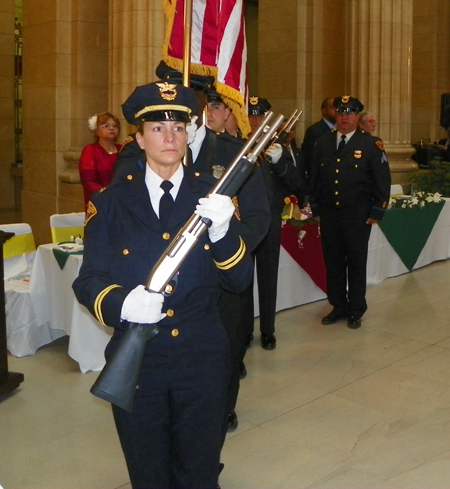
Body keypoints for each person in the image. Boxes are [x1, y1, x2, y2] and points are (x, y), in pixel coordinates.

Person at [72, 81, 253, 489]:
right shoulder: (110, 202)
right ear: (138, 138)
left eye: (178, 126)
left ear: (190, 133)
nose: (169, 136)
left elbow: (239, 281)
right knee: (148, 472)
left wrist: (223, 230)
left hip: (201, 358)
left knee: (199, 470)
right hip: (141, 361)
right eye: (156, 127)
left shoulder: (214, 197)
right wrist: (121, 305)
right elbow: (90, 280)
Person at [114, 61, 270, 442]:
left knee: (222, 362)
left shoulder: (236, 154)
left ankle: (218, 422)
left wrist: (226, 244)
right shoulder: (133, 159)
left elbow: (258, 216)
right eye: (158, 126)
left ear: (201, 102)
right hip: (159, 291)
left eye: (191, 93)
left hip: (219, 279)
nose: (169, 134)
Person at [309, 95, 391, 329]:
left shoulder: (371, 144)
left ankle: (356, 308)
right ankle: (338, 305)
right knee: (333, 261)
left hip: (358, 216)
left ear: (357, 117)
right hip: (330, 215)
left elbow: (382, 181)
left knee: (356, 261)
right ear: (335, 115)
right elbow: (315, 178)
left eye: (350, 113)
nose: (345, 117)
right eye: (341, 112)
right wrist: (314, 208)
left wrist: (377, 210)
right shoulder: (323, 143)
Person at [242, 96, 305, 351]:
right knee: (243, 282)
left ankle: (268, 330)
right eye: (251, 115)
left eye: (261, 115)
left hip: (268, 223)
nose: (255, 119)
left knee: (268, 279)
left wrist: (280, 163)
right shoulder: (238, 144)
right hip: (244, 225)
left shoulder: (278, 148)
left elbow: (298, 184)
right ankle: (244, 331)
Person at [79, 112, 121, 208]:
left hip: (123, 202)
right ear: (97, 131)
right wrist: (108, 195)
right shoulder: (90, 150)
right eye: (106, 126)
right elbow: (88, 180)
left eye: (115, 126)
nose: (111, 128)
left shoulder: (124, 150)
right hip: (99, 202)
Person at [301, 97, 336, 177]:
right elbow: (309, 158)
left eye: (338, 108)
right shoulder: (314, 130)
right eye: (333, 108)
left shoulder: (340, 130)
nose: (336, 111)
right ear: (324, 110)